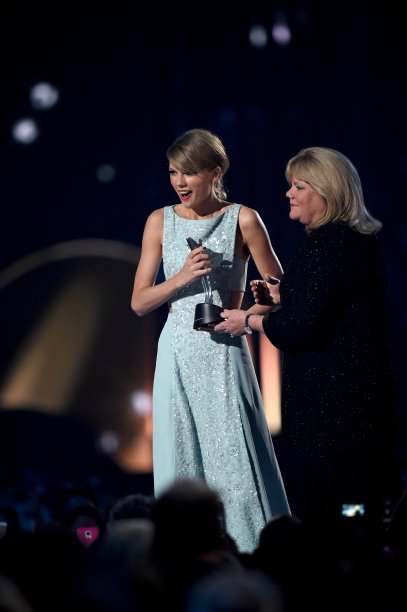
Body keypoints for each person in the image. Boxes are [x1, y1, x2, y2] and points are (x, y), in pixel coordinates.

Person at [216, 146, 401, 534]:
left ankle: (345, 575)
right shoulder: (355, 242)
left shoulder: (327, 245)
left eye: (299, 186)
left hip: (332, 414)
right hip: (356, 410)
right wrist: (287, 297)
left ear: (326, 193)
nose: (289, 193)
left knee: (337, 517)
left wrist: (248, 319)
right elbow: (333, 305)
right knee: (357, 510)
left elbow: (301, 329)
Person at [131, 128, 290, 553]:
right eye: (172, 173)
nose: (179, 183)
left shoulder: (244, 218)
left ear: (214, 172)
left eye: (189, 174)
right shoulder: (157, 221)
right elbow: (140, 302)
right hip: (176, 349)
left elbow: (279, 293)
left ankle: (255, 554)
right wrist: (181, 277)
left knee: (236, 459)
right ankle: (181, 556)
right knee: (179, 456)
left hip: (224, 350)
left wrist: (252, 310)